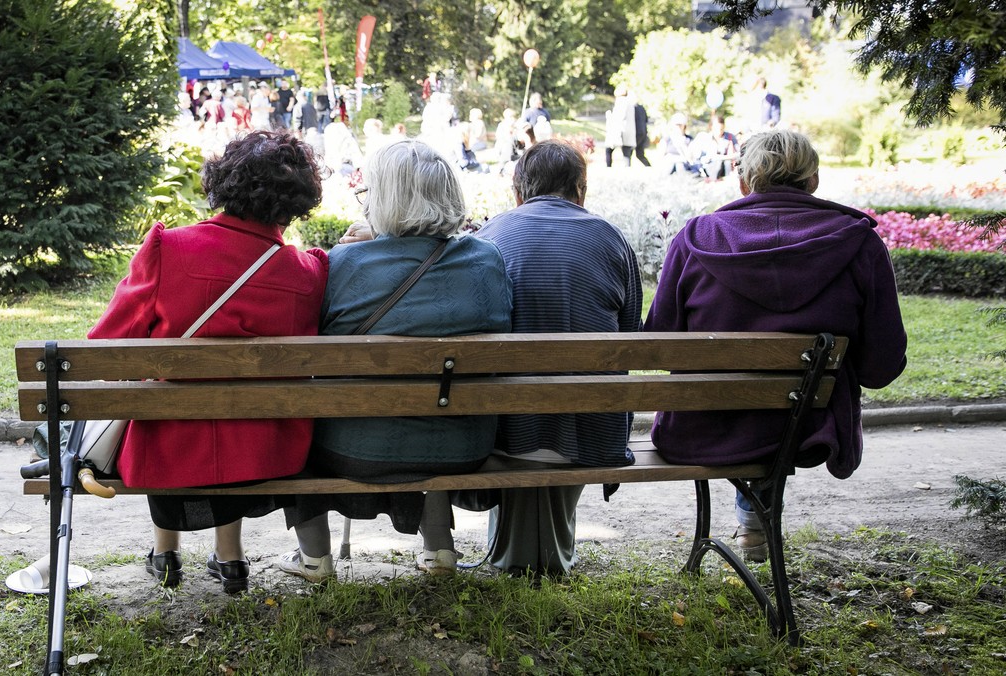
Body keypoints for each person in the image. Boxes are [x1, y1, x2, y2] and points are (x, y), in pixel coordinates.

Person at [644, 129, 907, 561]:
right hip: (809, 428)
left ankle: (753, 509)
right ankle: (758, 507)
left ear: (743, 183)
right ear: (814, 181)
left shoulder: (696, 239)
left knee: (750, 413)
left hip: (706, 425)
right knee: (784, 411)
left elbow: (659, 345)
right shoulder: (859, 242)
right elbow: (882, 366)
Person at [87, 131, 328, 593]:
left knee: (163, 404)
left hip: (169, 442)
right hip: (266, 446)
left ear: (226, 181)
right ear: (296, 200)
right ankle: (230, 558)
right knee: (231, 417)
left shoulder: (169, 248)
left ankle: (165, 553)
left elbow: (107, 343)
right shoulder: (308, 273)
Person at [276, 140, 513, 581]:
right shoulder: (488, 260)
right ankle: (439, 550)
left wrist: (371, 245)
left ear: (384, 200)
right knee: (435, 405)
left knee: (302, 429)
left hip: (356, 449)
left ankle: (313, 558)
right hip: (463, 447)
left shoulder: (344, 263)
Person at [472, 140, 644, 576]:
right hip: (593, 427)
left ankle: (515, 557)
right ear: (580, 190)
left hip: (505, 428)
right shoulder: (611, 239)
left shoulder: (488, 237)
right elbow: (630, 340)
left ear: (517, 193)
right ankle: (545, 558)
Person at [694, 114, 740, 179]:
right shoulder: (706, 138)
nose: (719, 131)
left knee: (727, 163)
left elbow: (738, 153)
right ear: (711, 127)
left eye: (721, 129)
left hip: (727, 168)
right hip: (710, 168)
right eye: (716, 129)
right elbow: (707, 156)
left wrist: (725, 157)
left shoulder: (730, 137)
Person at [603, 88, 637, 168]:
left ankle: (609, 167)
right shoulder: (630, 103)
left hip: (620, 130)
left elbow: (619, 117)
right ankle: (627, 168)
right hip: (629, 131)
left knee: (609, 148)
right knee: (626, 153)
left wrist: (609, 116)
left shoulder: (621, 101)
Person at [633, 97, 651, 167]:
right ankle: (649, 167)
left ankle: (627, 168)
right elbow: (646, 120)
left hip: (636, 133)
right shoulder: (642, 108)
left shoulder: (633, 108)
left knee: (629, 151)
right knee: (640, 154)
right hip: (643, 132)